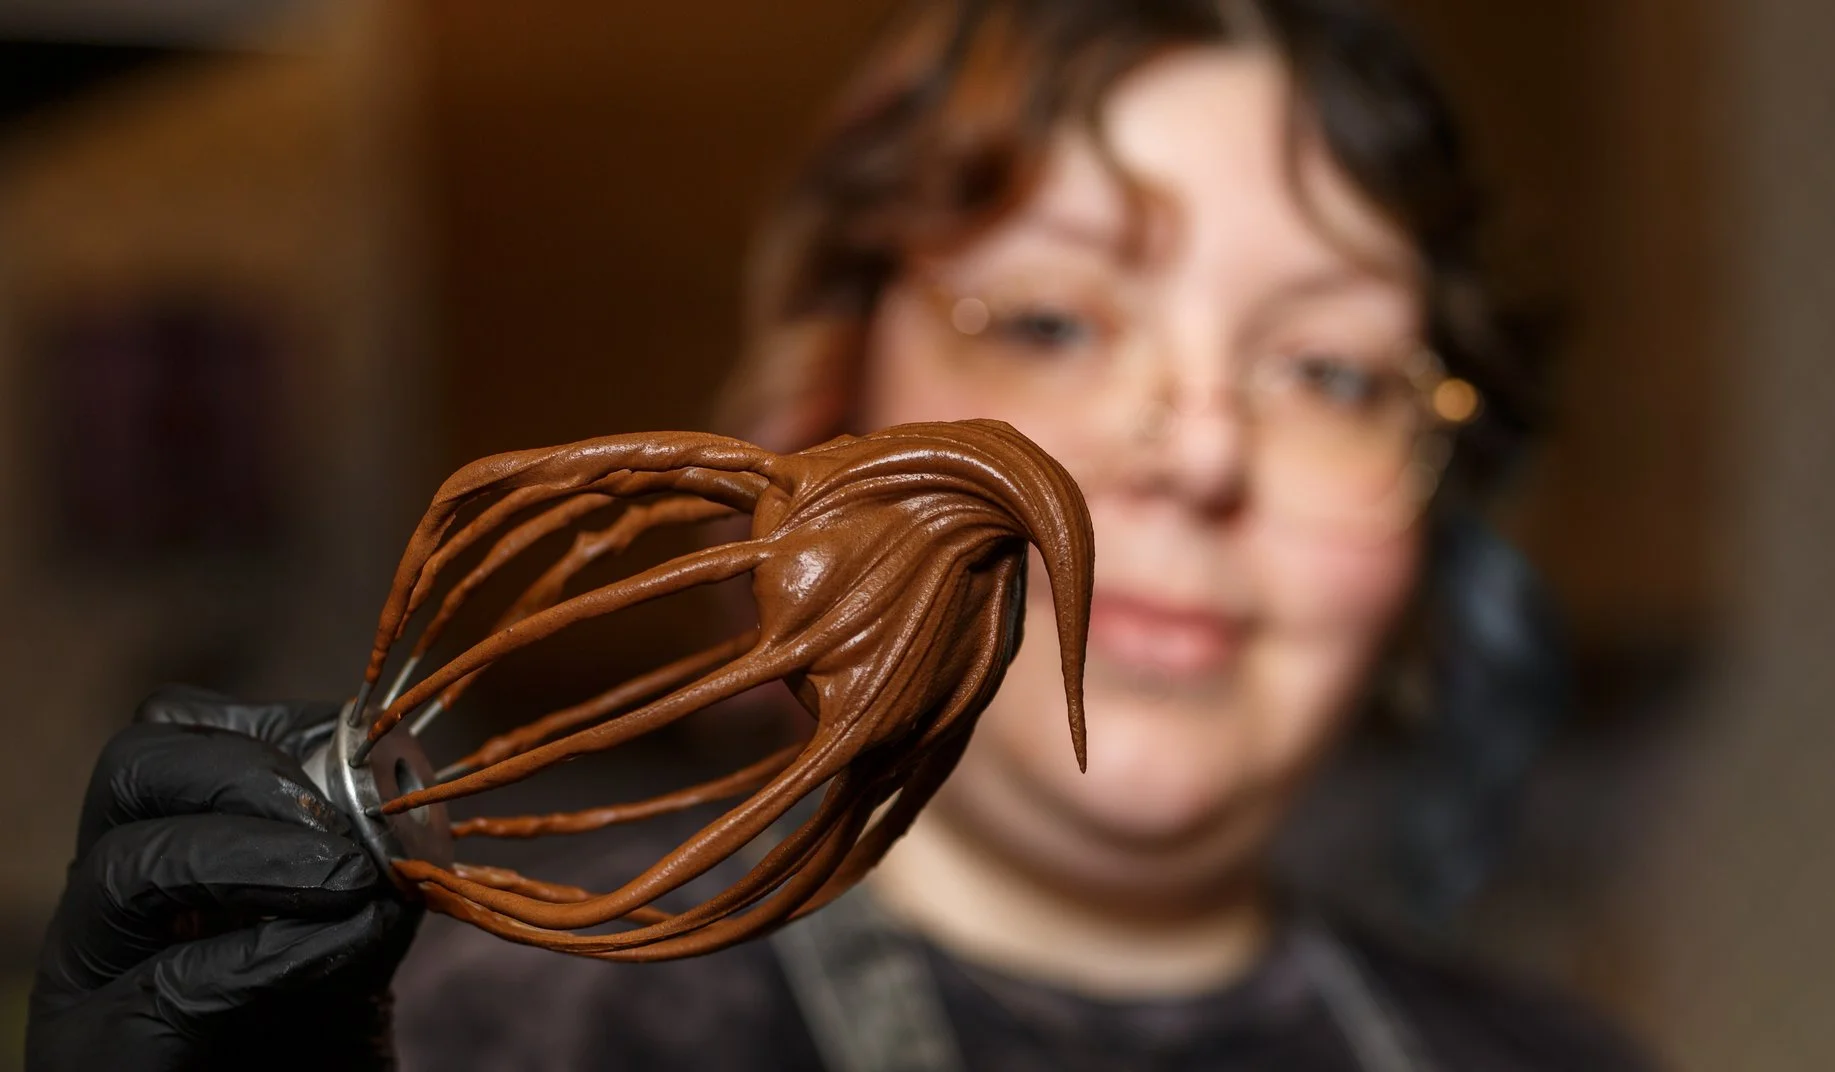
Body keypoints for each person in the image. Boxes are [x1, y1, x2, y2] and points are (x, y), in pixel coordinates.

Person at [28, 0, 1652, 1068]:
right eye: (1054, 321)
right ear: (829, 409)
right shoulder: (485, 1035)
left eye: (1328, 367)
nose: (1205, 447)